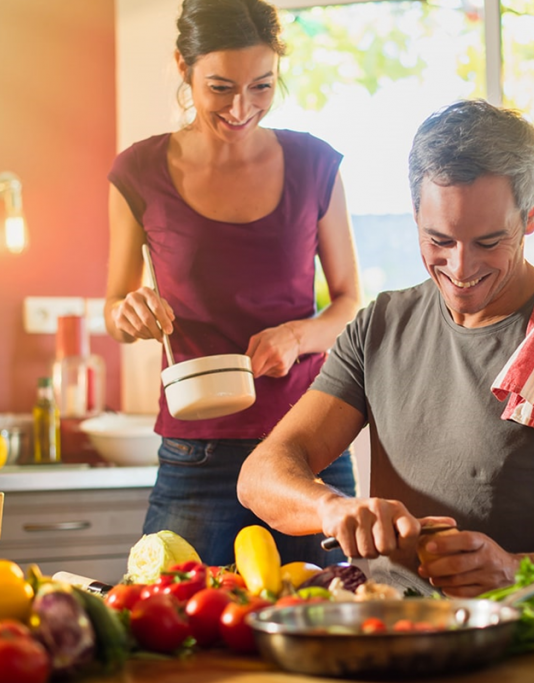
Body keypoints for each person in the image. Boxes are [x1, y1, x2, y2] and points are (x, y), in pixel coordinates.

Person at [237, 100, 534, 597]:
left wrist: (516, 569)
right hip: (387, 621)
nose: (460, 269)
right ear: (415, 213)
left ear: (532, 214)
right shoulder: (379, 326)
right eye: (439, 239)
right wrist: (333, 509)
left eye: (488, 242)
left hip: (519, 628)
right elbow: (260, 474)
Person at [104, 0, 362, 568]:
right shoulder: (137, 172)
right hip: (197, 447)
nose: (242, 108)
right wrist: (128, 313)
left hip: (306, 442)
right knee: (165, 622)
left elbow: (349, 304)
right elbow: (114, 307)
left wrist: (297, 336)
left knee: (329, 615)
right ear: (183, 65)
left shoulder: (314, 164)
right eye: (220, 87)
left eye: (262, 85)